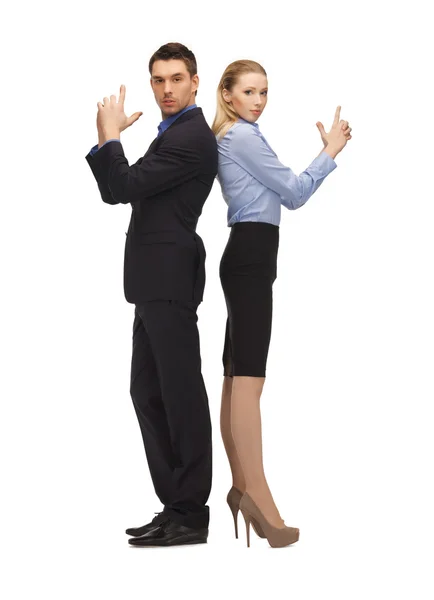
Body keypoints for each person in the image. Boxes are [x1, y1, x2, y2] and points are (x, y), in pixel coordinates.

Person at [211, 59, 352, 548]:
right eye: (248, 91)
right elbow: (292, 193)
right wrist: (328, 153)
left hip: (248, 255)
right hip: (250, 255)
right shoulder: (242, 137)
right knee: (250, 380)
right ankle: (259, 498)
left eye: (263, 92)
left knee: (236, 377)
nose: (257, 100)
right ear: (226, 94)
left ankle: (241, 485)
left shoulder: (234, 135)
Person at [85, 42, 218, 547]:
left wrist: (111, 136)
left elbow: (122, 186)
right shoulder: (170, 135)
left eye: (176, 79)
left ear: (195, 82)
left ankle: (190, 513)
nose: (166, 89)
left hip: (169, 282)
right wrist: (109, 141)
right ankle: (175, 506)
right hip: (151, 283)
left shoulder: (191, 139)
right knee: (148, 392)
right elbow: (118, 187)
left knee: (180, 395)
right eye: (159, 80)